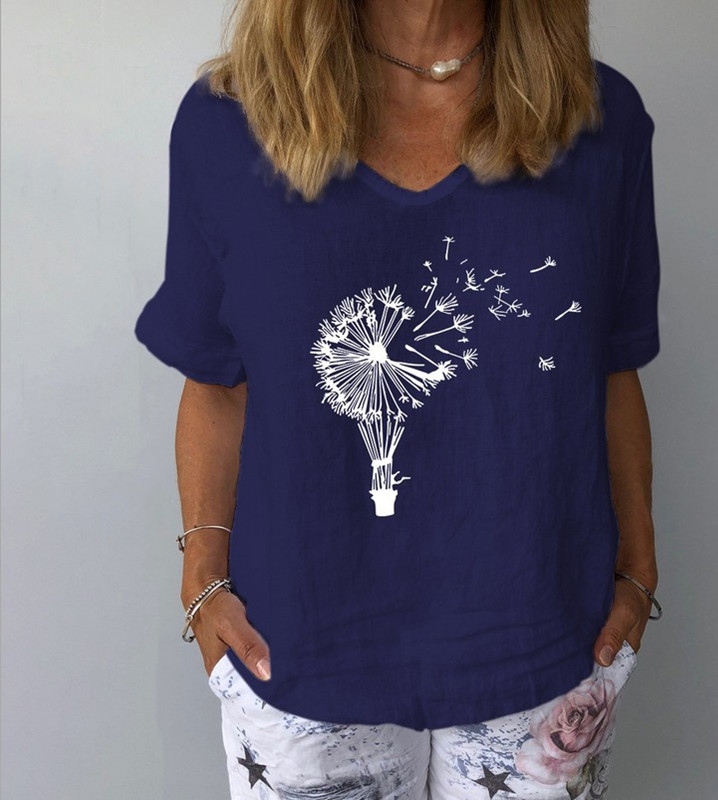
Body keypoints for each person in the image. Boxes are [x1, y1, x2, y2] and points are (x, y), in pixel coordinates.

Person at [134, 0, 664, 796]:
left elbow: (612, 367)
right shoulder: (231, 121)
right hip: (298, 658)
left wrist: (638, 568)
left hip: (545, 652)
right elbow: (217, 380)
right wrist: (202, 578)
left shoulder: (597, 118)